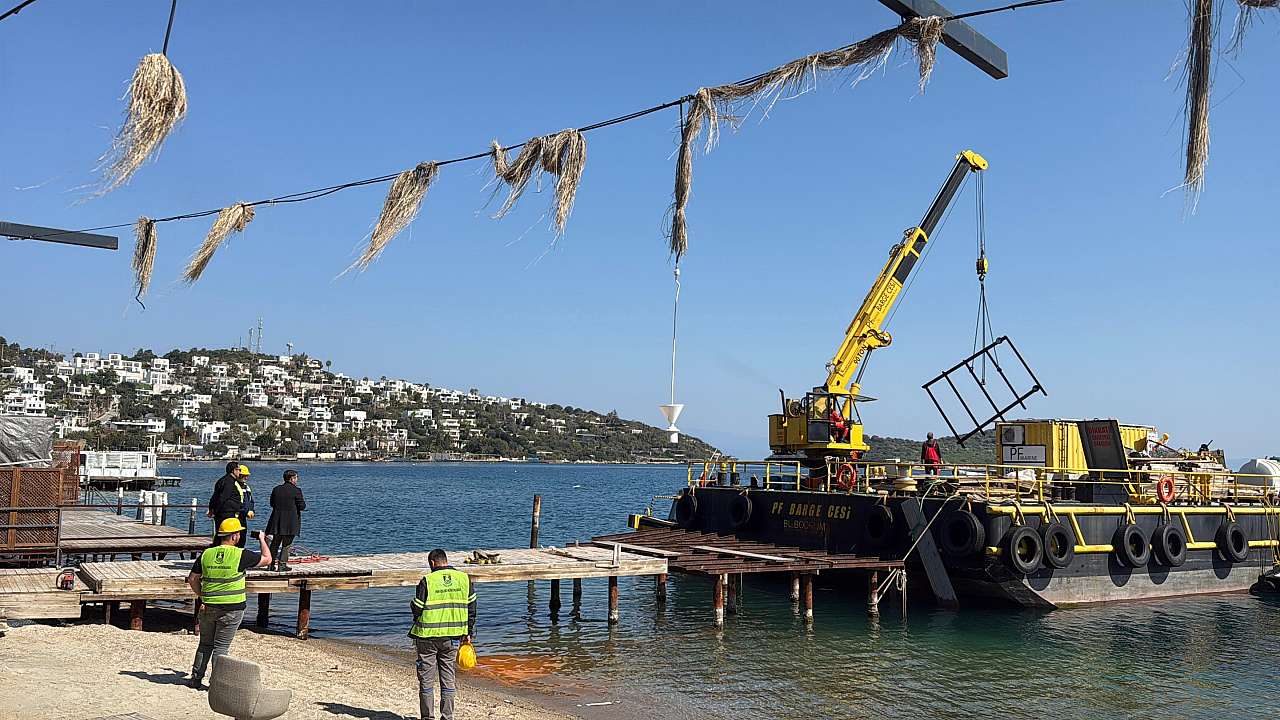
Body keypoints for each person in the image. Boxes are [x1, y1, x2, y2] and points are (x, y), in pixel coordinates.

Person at [187, 517, 272, 690]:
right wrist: (263, 539)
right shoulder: (240, 554)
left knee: (205, 644)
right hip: (232, 608)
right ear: (234, 536)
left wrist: (202, 595)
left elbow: (192, 578)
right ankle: (216, 683)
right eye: (239, 533)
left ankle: (196, 678)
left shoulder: (207, 554)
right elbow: (267, 559)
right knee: (221, 647)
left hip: (208, 606)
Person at [408, 549, 476, 720]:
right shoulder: (464, 579)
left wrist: (415, 612)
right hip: (453, 638)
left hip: (427, 637)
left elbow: (417, 607)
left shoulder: (427, 580)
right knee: (448, 678)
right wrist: (468, 632)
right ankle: (447, 716)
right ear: (446, 561)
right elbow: (472, 609)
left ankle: (428, 717)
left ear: (432, 563)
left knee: (426, 680)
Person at [265, 469, 306, 572]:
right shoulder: (296, 490)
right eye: (296, 477)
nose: (297, 480)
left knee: (275, 543)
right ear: (292, 479)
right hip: (290, 521)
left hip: (277, 519)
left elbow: (272, 504)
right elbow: (302, 506)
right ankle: (282, 565)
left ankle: (270, 564)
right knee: (286, 544)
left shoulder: (276, 489)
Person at [209, 463, 254, 548]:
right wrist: (215, 511)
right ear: (233, 470)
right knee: (227, 536)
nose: (239, 472)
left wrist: (212, 509)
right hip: (228, 514)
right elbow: (222, 498)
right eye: (238, 470)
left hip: (228, 513)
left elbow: (214, 497)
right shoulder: (230, 482)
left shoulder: (222, 480)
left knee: (222, 535)